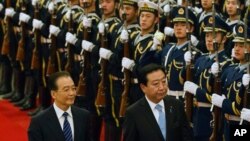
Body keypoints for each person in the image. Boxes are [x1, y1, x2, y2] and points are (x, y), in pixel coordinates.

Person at [123, 63, 193, 141]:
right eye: (156, 84)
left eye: (163, 81)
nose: (162, 87)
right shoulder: (133, 113)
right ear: (143, 87)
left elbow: (186, 136)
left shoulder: (176, 105)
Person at [28, 71, 90, 141]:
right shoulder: (38, 122)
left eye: (73, 88)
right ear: (53, 94)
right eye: (66, 90)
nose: (72, 93)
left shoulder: (84, 116)